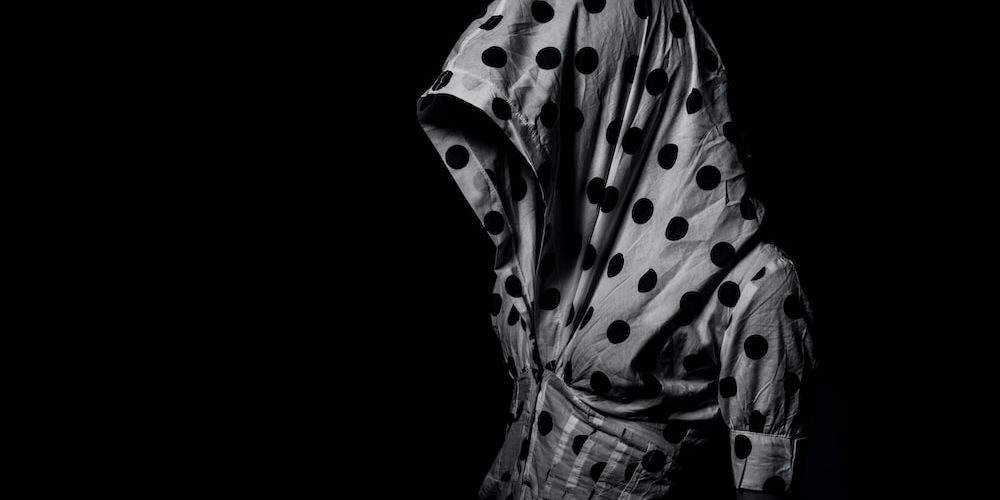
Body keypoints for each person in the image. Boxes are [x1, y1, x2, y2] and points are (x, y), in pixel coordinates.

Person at [415, 1, 818, 498]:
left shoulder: (756, 282)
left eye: (562, 98)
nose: (539, 126)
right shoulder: (539, 246)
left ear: (625, 93)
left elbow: (764, 483)